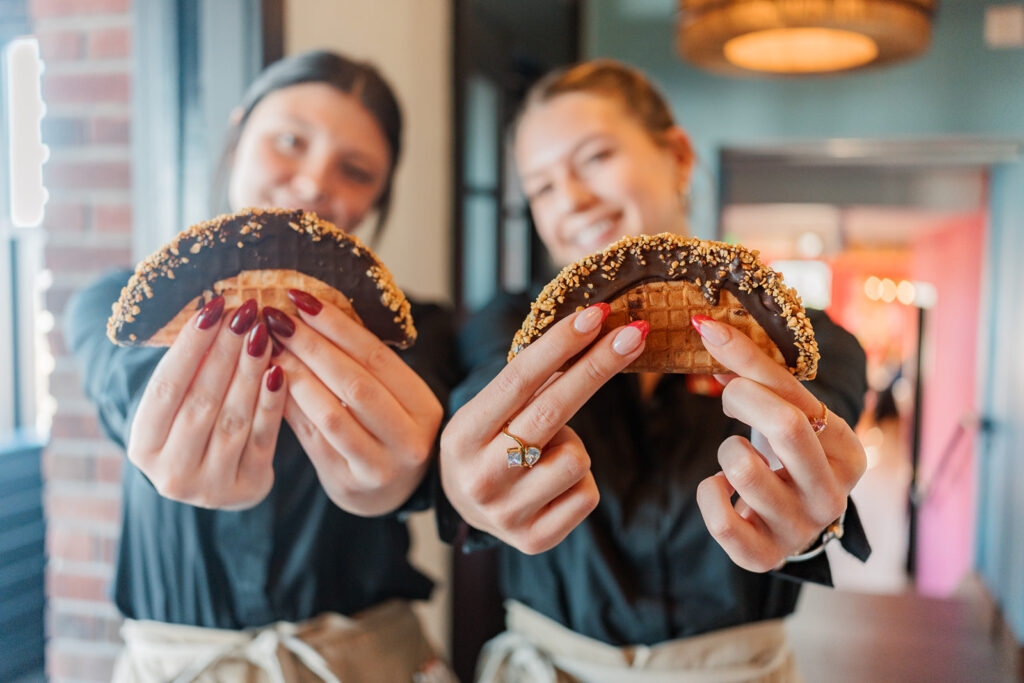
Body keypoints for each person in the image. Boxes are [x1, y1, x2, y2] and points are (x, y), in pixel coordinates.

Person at [439, 59, 871, 682]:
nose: (573, 200)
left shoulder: (806, 340)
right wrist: (469, 484)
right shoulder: (510, 328)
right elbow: (478, 411)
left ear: (677, 155)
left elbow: (819, 465)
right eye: (542, 188)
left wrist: (807, 511)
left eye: (594, 158)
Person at [66, 50, 459, 682]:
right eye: (289, 141)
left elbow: (452, 447)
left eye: (355, 170)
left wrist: (413, 478)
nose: (311, 183)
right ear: (237, 131)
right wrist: (160, 418)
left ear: (377, 199)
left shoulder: (420, 333)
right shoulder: (118, 305)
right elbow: (121, 387)